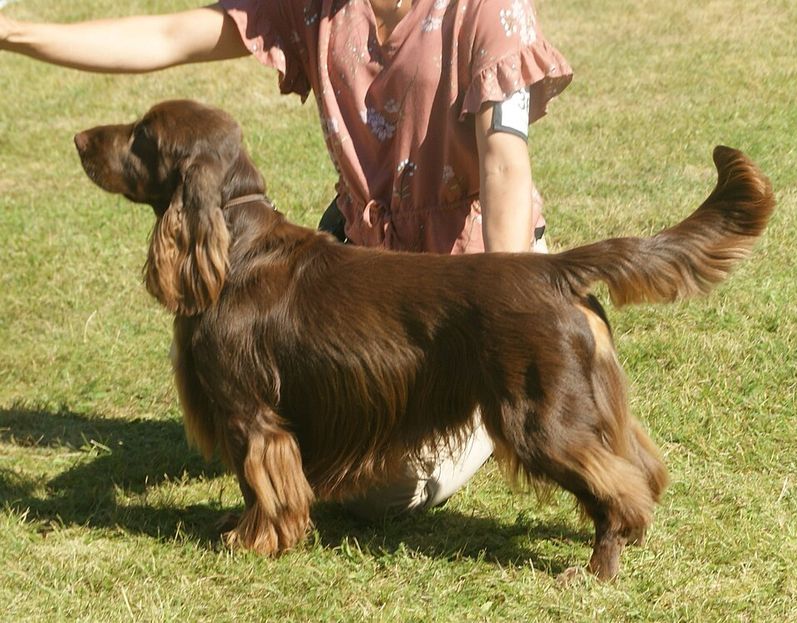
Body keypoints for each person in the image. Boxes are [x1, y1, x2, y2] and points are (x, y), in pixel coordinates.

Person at [0, 1, 572, 519]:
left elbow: (503, 167)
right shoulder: (318, 8)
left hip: (472, 290)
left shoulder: (489, 9)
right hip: (364, 282)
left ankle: (516, 375)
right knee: (328, 459)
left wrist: (506, 320)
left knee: (381, 491)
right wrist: (15, 31)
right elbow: (173, 34)